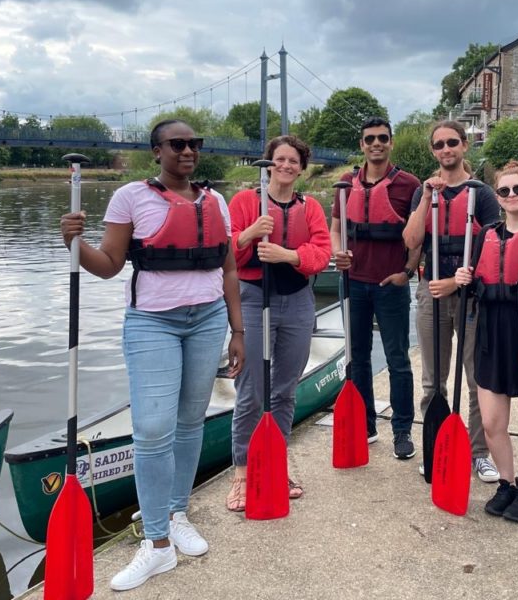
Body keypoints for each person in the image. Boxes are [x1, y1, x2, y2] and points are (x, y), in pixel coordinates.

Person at [59, 119, 245, 592]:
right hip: (153, 324)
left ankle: (177, 512)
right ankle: (157, 542)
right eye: (177, 144)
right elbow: (109, 265)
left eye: (194, 144)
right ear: (156, 151)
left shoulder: (216, 200)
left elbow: (228, 269)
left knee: (190, 421)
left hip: (208, 320)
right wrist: (74, 244)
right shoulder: (130, 197)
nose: (188, 151)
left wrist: (238, 330)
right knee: (152, 429)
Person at [227, 135, 332, 511]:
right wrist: (249, 235)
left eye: (293, 161)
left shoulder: (311, 207)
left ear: (301, 169)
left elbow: (322, 253)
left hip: (297, 300)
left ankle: (275, 463)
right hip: (254, 298)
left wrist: (287, 254)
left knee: (285, 391)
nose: (285, 166)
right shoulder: (244, 202)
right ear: (268, 163)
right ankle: (242, 473)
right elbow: (226, 251)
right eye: (279, 159)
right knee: (252, 390)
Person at [403, 119, 501, 482]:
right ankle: (435, 446)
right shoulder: (424, 192)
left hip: (471, 296)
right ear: (433, 151)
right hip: (431, 295)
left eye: (452, 143)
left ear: (464, 146)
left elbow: (493, 247)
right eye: (439, 144)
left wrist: (456, 282)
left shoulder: (482, 194)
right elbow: (412, 241)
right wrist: (425, 197)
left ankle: (478, 453)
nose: (446, 149)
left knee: (476, 380)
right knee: (433, 381)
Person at [454, 160, 518, 522]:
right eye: (504, 190)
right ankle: (507, 483)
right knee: (493, 422)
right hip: (490, 332)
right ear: (497, 197)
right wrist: (465, 279)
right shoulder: (485, 235)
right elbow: (477, 281)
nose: (511, 195)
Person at [330, 117, 421, 460]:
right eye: (370, 139)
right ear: (362, 145)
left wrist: (407, 272)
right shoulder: (345, 183)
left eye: (383, 138)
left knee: (398, 359)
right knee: (358, 358)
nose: (376, 144)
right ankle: (366, 424)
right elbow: (336, 228)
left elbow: (418, 237)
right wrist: (336, 253)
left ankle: (402, 430)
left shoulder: (409, 185)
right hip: (354, 284)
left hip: (390, 286)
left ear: (391, 142)